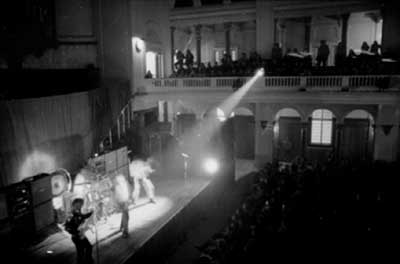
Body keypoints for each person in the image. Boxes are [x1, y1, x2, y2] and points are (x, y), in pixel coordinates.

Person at [65, 198, 94, 264]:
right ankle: (87, 261)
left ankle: (88, 260)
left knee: (87, 248)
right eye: (80, 204)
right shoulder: (71, 214)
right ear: (75, 204)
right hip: (77, 237)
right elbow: (67, 228)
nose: (81, 206)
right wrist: (76, 232)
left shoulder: (78, 212)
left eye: (82, 204)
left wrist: (91, 213)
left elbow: (83, 216)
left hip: (81, 235)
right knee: (81, 252)